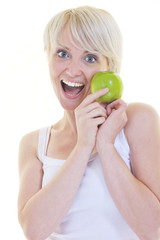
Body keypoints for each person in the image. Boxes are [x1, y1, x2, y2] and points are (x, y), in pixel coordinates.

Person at [17, 6, 160, 240]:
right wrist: (83, 146)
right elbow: (33, 230)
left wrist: (105, 144)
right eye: (62, 53)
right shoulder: (34, 144)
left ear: (109, 69)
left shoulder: (137, 121)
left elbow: (151, 228)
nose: (73, 70)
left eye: (90, 58)